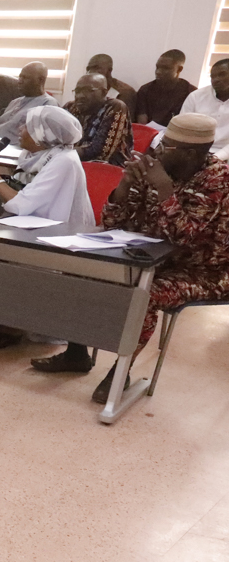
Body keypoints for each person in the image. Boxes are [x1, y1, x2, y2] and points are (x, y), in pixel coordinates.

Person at [33, 113, 229, 396]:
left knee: (146, 294)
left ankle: (120, 371)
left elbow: (185, 237)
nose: (157, 150)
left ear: (189, 154)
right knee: (78, 270)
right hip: (145, 257)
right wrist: (125, 184)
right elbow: (114, 222)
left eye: (166, 146)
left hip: (203, 270)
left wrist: (164, 189)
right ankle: (76, 353)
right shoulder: (160, 166)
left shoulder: (218, 179)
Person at [0, 106, 96, 352]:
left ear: (42, 134)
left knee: (7, 256)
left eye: (27, 126)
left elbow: (20, 204)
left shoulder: (64, 161)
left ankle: (12, 326)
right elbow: (23, 187)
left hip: (56, 236)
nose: (20, 130)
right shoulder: (40, 155)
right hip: (32, 224)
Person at [66, 73, 132, 166]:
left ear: (104, 92)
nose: (80, 95)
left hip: (108, 169)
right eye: (77, 91)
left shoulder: (115, 107)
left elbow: (100, 151)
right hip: (71, 162)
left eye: (88, 90)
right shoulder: (71, 107)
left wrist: (61, 153)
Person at [0, 62, 57, 142]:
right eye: (20, 77)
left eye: (25, 78)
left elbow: (43, 140)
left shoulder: (48, 104)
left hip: (15, 151)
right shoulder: (14, 102)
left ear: (40, 80)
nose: (19, 81)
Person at [177, 58, 229, 160]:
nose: (216, 79)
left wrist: (216, 157)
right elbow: (181, 129)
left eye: (222, 74)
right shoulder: (196, 97)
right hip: (194, 153)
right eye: (212, 76)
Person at [134, 50, 196, 127]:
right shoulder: (145, 90)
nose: (158, 72)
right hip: (149, 134)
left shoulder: (191, 93)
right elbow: (142, 123)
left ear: (179, 69)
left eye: (166, 68)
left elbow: (189, 124)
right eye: (157, 67)